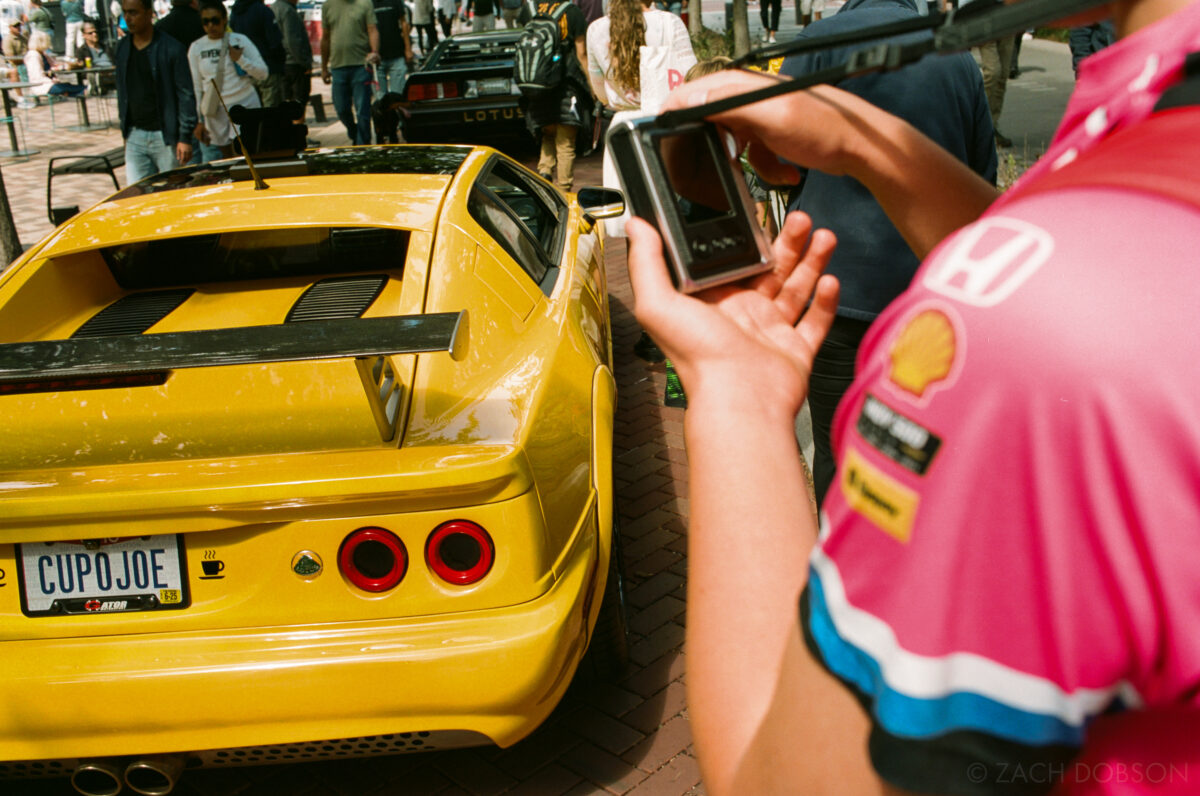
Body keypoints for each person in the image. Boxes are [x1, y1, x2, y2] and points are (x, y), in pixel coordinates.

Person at [623, 0, 1200, 793]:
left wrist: (737, 393)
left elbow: (792, 783)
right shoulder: (1154, 134)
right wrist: (866, 142)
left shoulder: (1028, 340)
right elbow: (1130, 286)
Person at [781, 0, 995, 508]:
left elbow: (783, 163)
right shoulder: (955, 54)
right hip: (926, 291)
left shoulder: (816, 42)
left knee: (834, 444)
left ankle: (836, 558)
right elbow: (980, 174)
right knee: (918, 446)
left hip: (833, 283)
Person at [587, 0, 695, 235]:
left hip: (624, 128)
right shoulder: (670, 23)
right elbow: (690, 77)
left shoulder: (596, 30)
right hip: (666, 123)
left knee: (636, 230)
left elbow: (600, 93)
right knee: (676, 224)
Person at [115, 0, 196, 182]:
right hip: (135, 133)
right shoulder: (122, 48)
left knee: (172, 192)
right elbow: (122, 92)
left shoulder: (172, 48)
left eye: (134, 12)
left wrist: (184, 136)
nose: (128, 18)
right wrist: (125, 130)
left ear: (149, 13)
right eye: (125, 13)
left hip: (165, 136)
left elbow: (186, 94)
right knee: (138, 197)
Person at [523, 0, 590, 192]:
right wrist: (591, 87)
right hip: (566, 84)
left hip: (540, 85)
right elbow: (581, 54)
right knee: (566, 143)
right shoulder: (572, 12)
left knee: (548, 135)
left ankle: (544, 175)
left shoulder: (531, 10)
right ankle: (564, 191)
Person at [189, 0, 267, 160]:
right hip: (215, 112)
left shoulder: (239, 40)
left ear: (224, 19)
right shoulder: (196, 47)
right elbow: (196, 87)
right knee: (226, 162)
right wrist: (198, 120)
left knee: (246, 158)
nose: (211, 25)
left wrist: (241, 60)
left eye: (215, 20)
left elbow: (263, 73)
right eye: (206, 21)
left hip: (244, 105)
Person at [319, 0, 380, 145]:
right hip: (338, 67)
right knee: (341, 108)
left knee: (362, 110)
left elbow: (372, 29)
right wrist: (323, 68)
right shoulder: (328, 5)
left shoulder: (365, 4)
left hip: (361, 66)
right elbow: (325, 37)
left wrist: (375, 52)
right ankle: (354, 134)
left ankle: (362, 144)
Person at [230, 0, 286, 105]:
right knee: (271, 113)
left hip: (247, 69)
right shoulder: (263, 11)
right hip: (269, 68)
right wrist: (280, 65)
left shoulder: (235, 13)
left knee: (254, 111)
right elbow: (275, 42)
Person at [24, 30, 88, 96]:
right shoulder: (33, 55)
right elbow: (37, 77)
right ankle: (87, 90)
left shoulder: (43, 53)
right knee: (69, 88)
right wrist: (51, 81)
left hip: (50, 83)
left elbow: (55, 64)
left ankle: (84, 92)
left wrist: (70, 64)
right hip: (42, 85)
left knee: (69, 86)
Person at [274, 0, 313, 104]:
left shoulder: (273, 8)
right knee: (298, 103)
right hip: (295, 64)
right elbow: (292, 41)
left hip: (281, 64)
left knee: (285, 102)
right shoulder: (288, 11)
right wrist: (305, 62)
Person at [371, 0, 410, 98]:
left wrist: (408, 48)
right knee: (380, 100)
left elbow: (404, 23)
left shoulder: (395, 1)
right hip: (376, 58)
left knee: (398, 97)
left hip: (396, 54)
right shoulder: (367, 3)